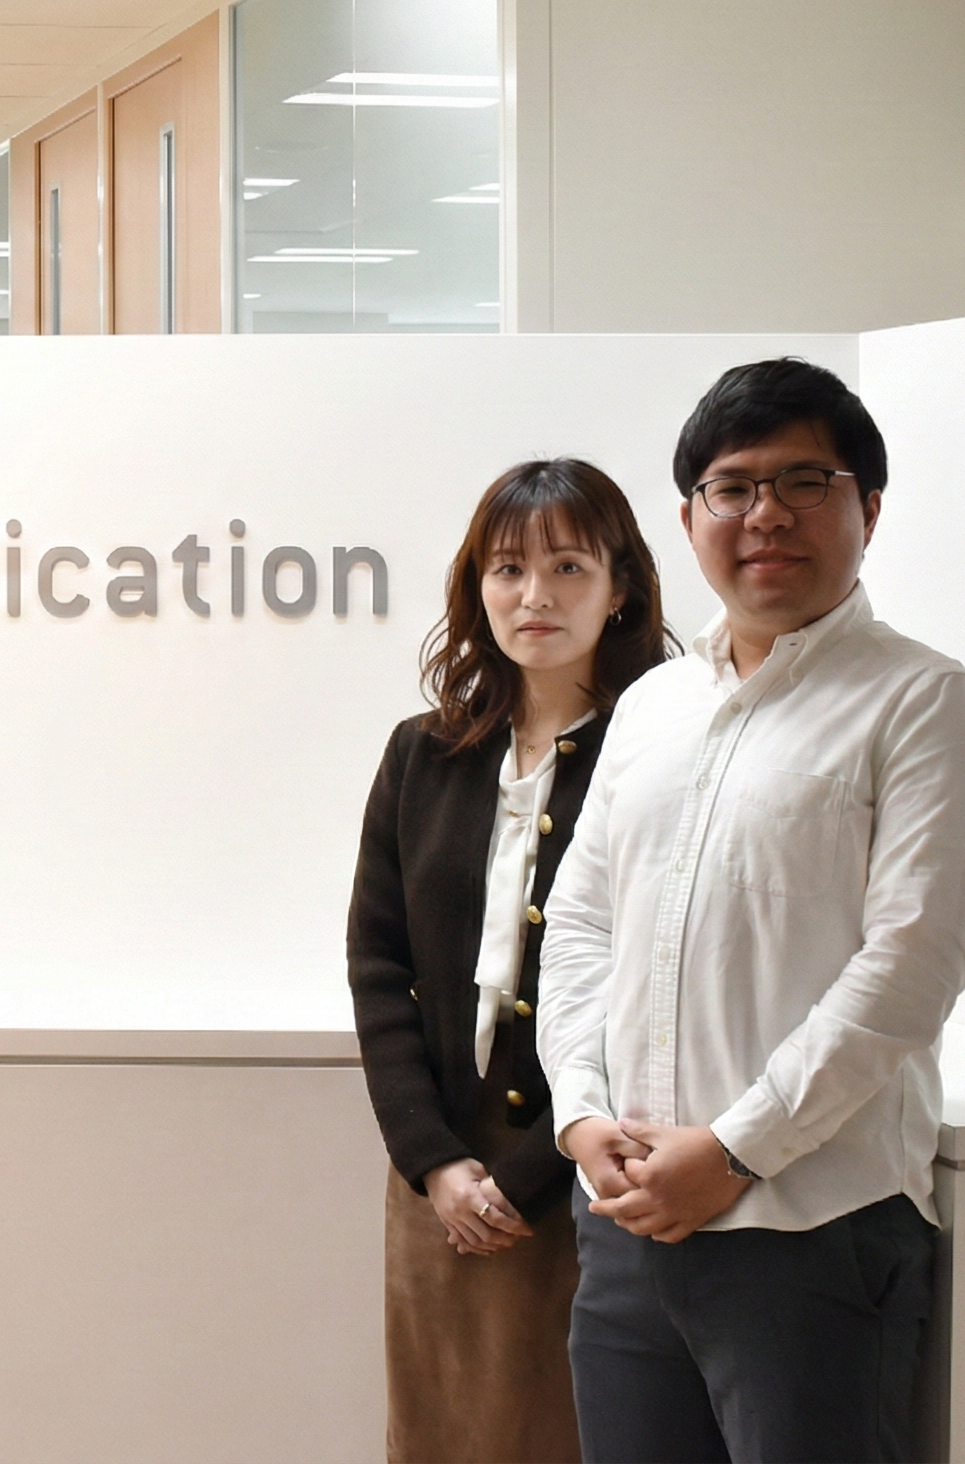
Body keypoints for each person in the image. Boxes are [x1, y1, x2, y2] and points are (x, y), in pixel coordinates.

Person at [536, 360, 965, 1464]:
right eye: (732, 487)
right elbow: (582, 926)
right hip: (624, 1230)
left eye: (805, 482)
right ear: (688, 517)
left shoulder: (923, 701)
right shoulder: (651, 705)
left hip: (811, 1234)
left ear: (868, 509)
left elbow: (910, 968)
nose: (765, 514)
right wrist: (580, 1115)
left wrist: (734, 1150)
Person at [347, 460, 674, 1462]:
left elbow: (646, 980)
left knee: (565, 1433)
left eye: (568, 566)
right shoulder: (422, 753)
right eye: (507, 569)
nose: (535, 595)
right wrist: (432, 1159)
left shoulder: (659, 754)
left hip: (583, 1169)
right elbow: (377, 962)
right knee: (436, 1434)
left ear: (619, 588)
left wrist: (527, 1174)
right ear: (475, 587)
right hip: (438, 1172)